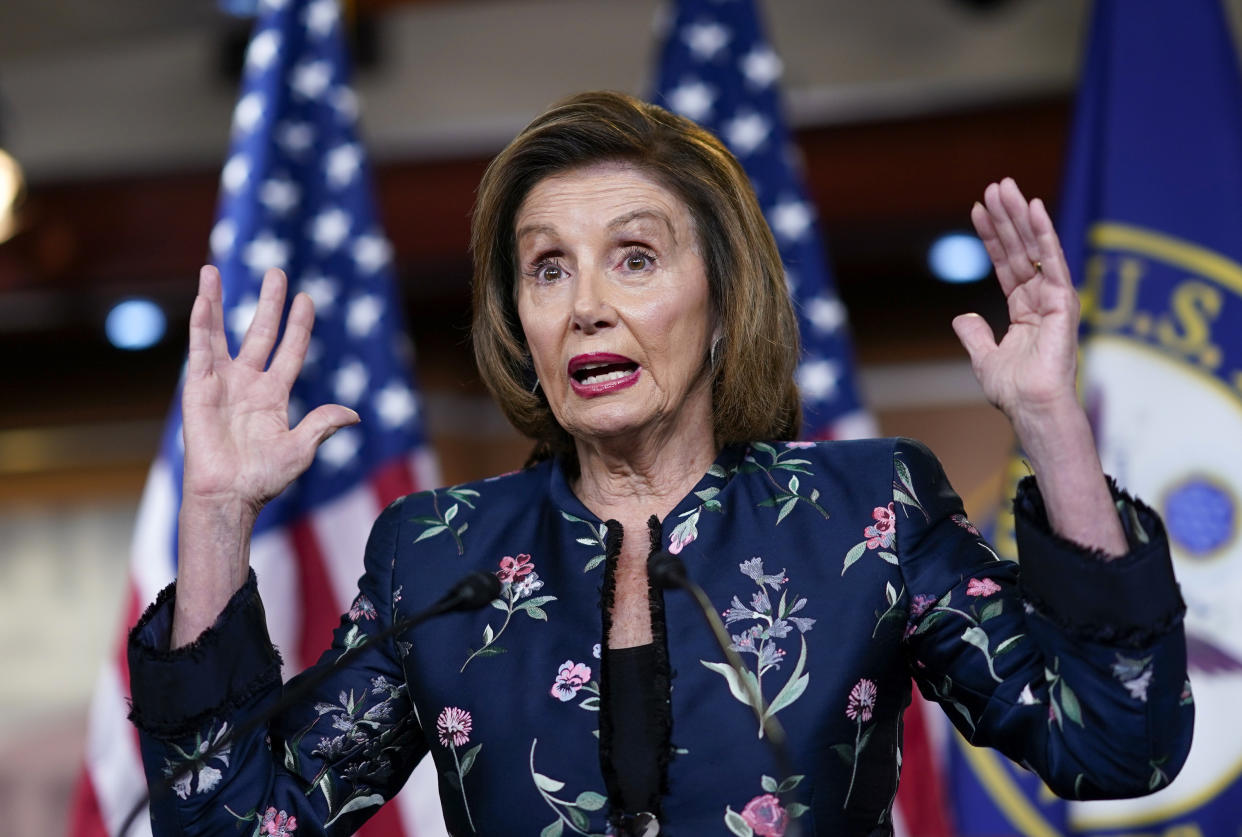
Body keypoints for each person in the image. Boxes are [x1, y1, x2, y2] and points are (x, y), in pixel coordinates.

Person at [128, 91, 1192, 836]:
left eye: (634, 257)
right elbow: (238, 823)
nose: (586, 300)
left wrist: (1052, 420)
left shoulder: (865, 512)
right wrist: (216, 512)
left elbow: (1116, 745)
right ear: (522, 320)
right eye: (548, 268)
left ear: (723, 303)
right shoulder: (437, 555)